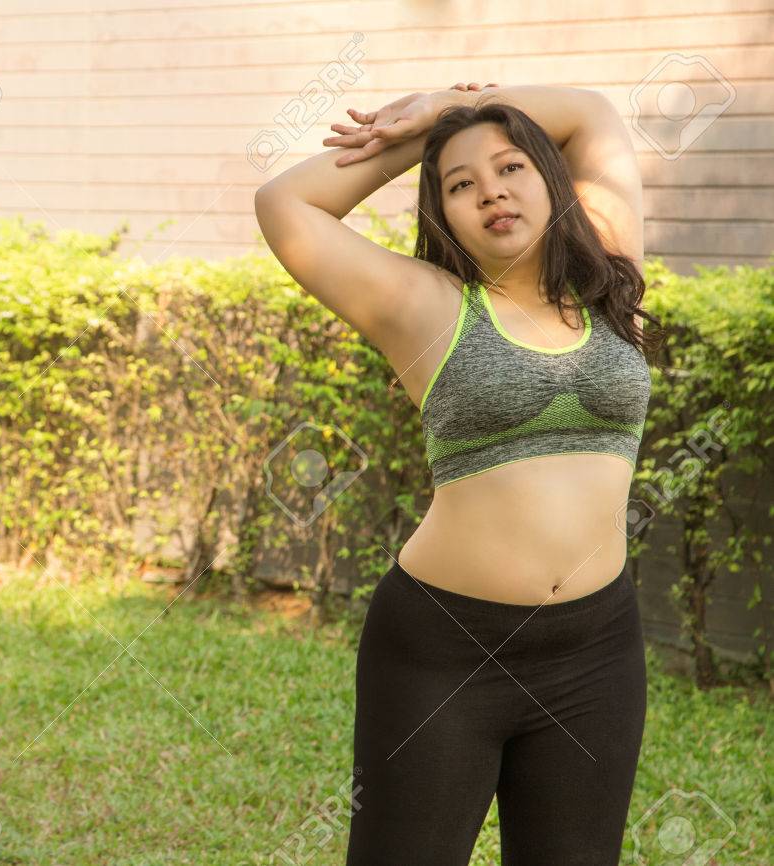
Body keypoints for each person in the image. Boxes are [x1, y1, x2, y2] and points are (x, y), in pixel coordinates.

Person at [253, 83, 664, 865]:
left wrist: (452, 104)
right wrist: (418, 139)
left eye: (511, 168)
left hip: (597, 650)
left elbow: (591, 113)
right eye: (460, 185)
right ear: (441, 211)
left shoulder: (606, 279)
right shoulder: (425, 304)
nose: (492, 193)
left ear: (550, 176)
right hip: (443, 654)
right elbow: (285, 205)